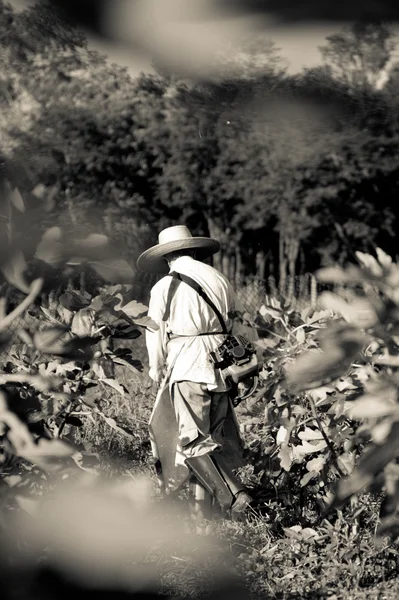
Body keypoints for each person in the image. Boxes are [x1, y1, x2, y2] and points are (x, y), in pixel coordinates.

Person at [136, 225, 257, 518]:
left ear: (167, 257)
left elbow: (155, 331)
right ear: (193, 250)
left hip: (188, 365)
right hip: (220, 366)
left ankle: (234, 497)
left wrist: (156, 366)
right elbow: (237, 321)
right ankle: (206, 517)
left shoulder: (164, 286)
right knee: (210, 442)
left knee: (192, 442)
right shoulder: (218, 278)